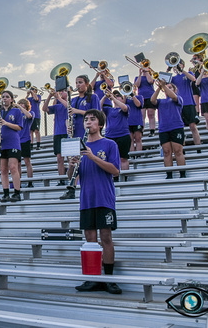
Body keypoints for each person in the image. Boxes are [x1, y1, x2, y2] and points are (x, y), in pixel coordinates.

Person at [72, 109, 122, 295]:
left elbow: (115, 170)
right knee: (90, 239)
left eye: (92, 119)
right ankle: (93, 277)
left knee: (106, 237)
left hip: (104, 198)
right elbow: (73, 178)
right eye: (86, 119)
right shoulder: (79, 146)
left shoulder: (109, 144)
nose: (88, 122)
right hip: (86, 199)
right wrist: (72, 167)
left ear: (100, 124)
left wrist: (93, 157)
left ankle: (109, 279)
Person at [0, 90, 24, 202]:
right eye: (3, 97)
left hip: (13, 142)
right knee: (3, 169)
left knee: (13, 167)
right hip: (2, 144)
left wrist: (6, 123)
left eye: (7, 97)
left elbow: (19, 127)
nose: (4, 98)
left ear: (11, 99)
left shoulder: (16, 111)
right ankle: (5, 193)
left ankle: (17, 192)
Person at [151, 80, 187, 179]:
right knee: (166, 152)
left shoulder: (178, 98)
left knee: (178, 151)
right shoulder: (161, 101)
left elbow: (174, 97)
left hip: (176, 127)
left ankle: (182, 174)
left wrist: (165, 86)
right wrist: (159, 87)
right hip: (163, 129)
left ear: (175, 90)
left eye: (170, 87)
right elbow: (152, 100)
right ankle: (169, 174)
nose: (168, 89)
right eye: (167, 87)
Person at [170, 60, 202, 147]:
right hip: (178, 105)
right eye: (175, 65)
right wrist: (168, 69)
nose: (176, 66)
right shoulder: (173, 78)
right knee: (180, 128)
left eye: (178, 64)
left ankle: (198, 147)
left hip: (189, 103)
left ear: (183, 65)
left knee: (193, 126)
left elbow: (193, 79)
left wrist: (182, 70)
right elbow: (163, 82)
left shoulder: (188, 73)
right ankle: (182, 149)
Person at [101, 89, 131, 174]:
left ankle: (124, 177)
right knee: (110, 159)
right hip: (109, 136)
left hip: (123, 136)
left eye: (118, 96)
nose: (116, 97)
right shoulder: (109, 109)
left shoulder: (125, 107)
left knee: (123, 158)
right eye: (115, 96)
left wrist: (113, 98)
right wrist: (105, 96)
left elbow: (124, 108)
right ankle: (114, 177)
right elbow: (98, 106)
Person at [44, 89, 69, 186]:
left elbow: (67, 106)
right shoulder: (57, 105)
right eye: (60, 91)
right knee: (59, 158)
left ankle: (71, 177)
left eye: (64, 91)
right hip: (58, 133)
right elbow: (44, 109)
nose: (61, 93)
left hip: (67, 132)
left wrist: (58, 97)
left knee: (70, 157)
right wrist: (50, 96)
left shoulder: (71, 102)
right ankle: (61, 179)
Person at [14, 98, 35, 188]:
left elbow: (29, 116)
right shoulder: (17, 115)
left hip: (25, 139)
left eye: (23, 104)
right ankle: (18, 182)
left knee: (27, 161)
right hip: (16, 141)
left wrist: (19, 107)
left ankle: (30, 182)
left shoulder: (30, 113)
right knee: (18, 163)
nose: (21, 105)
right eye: (20, 104)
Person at [134, 64, 157, 136]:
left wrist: (147, 72)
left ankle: (152, 130)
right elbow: (137, 85)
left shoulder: (151, 75)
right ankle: (142, 130)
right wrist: (140, 74)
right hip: (141, 97)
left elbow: (150, 81)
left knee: (151, 114)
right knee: (142, 115)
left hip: (150, 96)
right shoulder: (137, 77)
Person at [126, 86, 144, 152]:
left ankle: (139, 155)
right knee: (130, 140)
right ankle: (132, 155)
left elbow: (138, 104)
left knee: (138, 138)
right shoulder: (126, 99)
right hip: (128, 121)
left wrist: (133, 95)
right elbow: (122, 103)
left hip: (137, 121)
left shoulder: (139, 97)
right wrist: (125, 94)